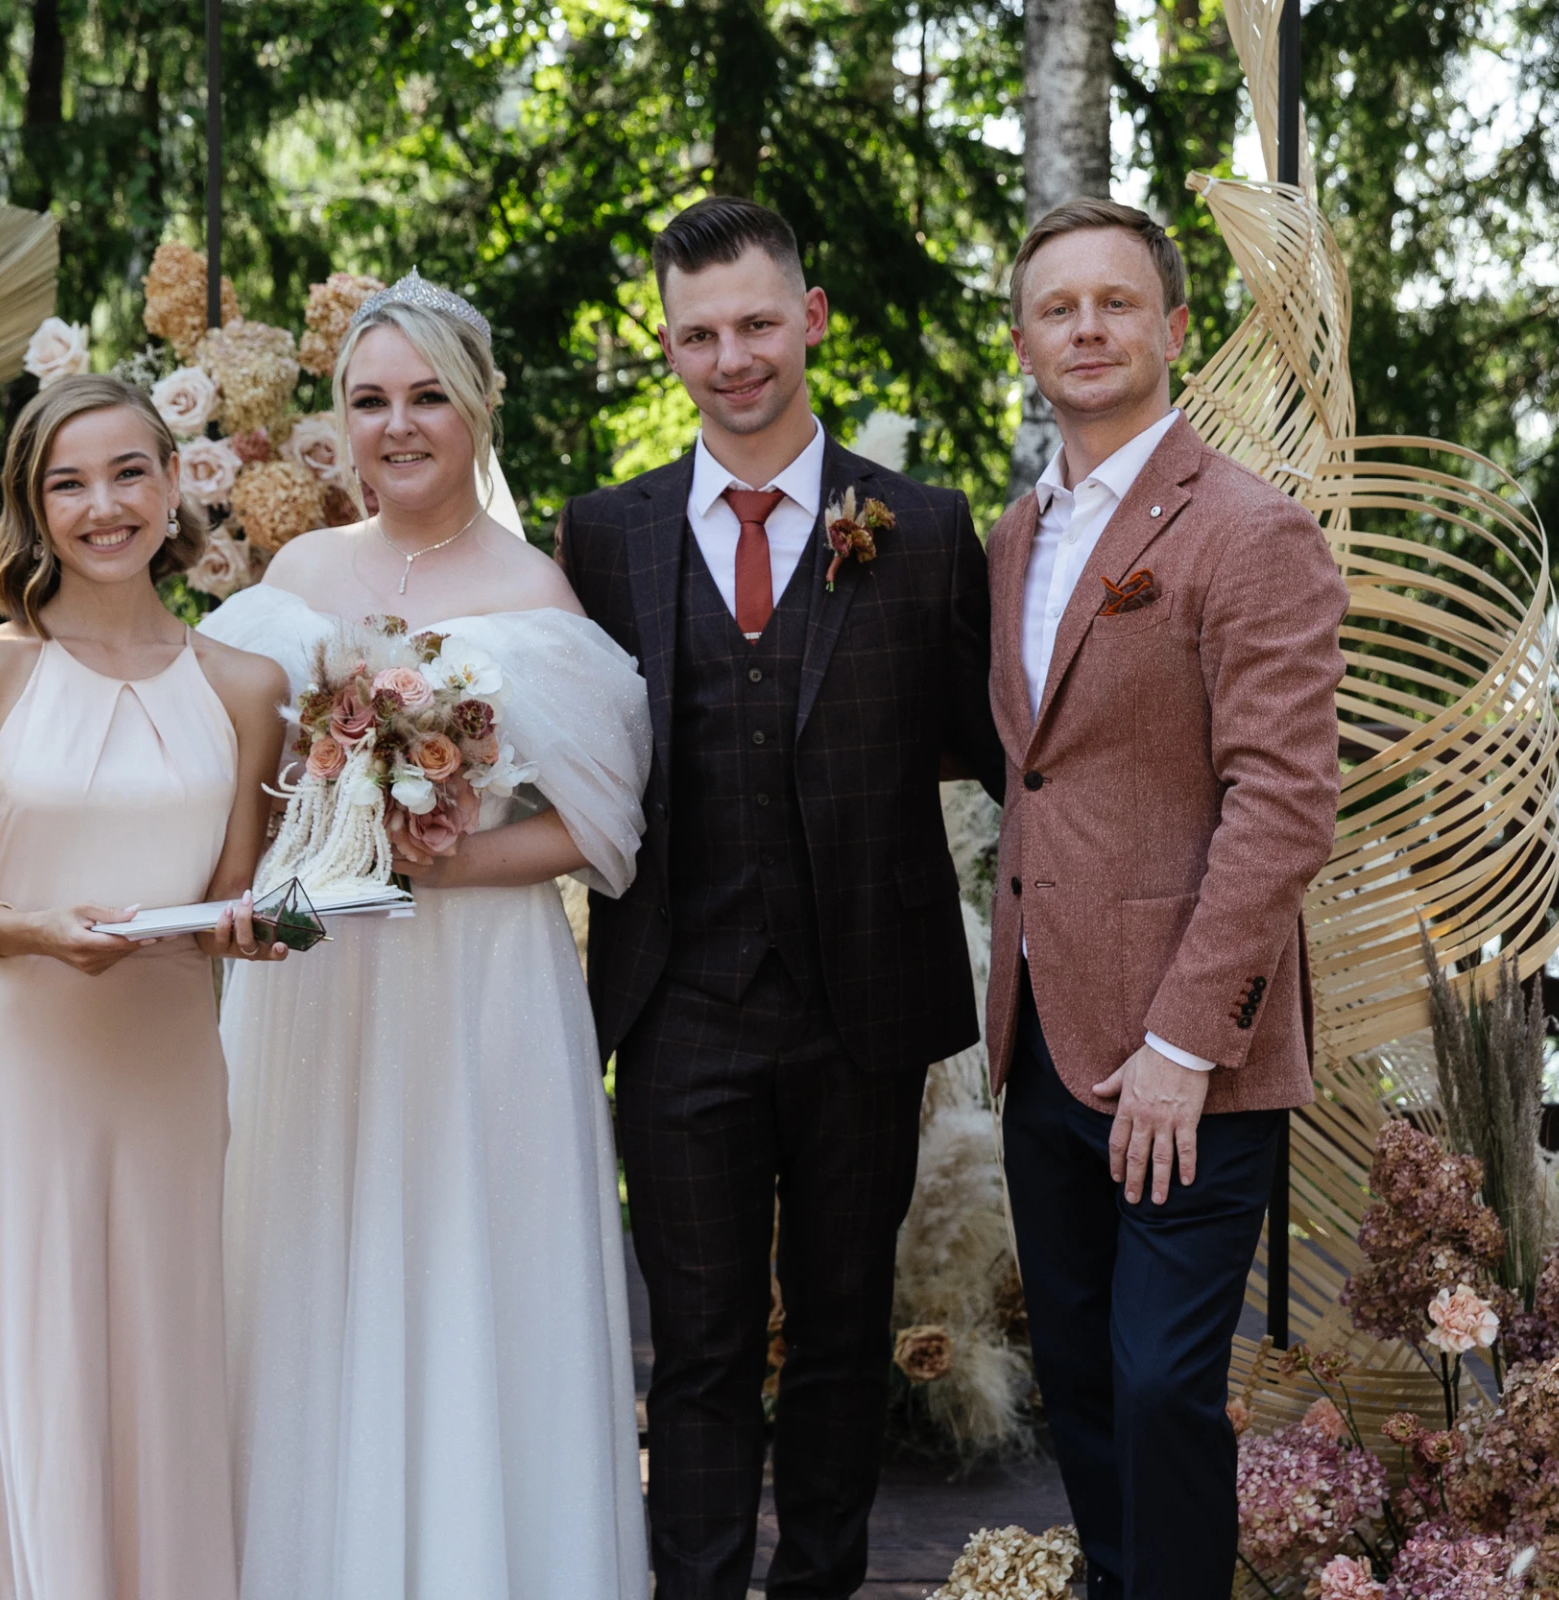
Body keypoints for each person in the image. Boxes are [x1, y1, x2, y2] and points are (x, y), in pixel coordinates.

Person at [556, 197, 1005, 1600]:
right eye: (700, 335)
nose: (732, 358)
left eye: (757, 324)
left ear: (808, 318)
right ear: (669, 348)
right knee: (693, 1346)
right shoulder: (604, 536)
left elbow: (1000, 743)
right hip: (677, 1001)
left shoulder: (924, 528)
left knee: (840, 1333)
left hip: (861, 1007)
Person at [199, 271, 652, 1599]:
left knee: (471, 1271)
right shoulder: (297, 573)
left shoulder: (535, 591)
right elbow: (237, 782)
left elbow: (601, 831)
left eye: (427, 398)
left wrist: (433, 859)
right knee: (307, 1270)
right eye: (368, 400)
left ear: (478, 408)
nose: (396, 426)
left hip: (480, 990)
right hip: (317, 986)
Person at [983, 197, 1348, 1600]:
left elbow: (1283, 806)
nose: (1087, 328)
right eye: (1058, 308)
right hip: (1039, 1037)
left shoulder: (1251, 532)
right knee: (1080, 1383)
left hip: (1190, 1061)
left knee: (1160, 1390)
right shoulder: (1017, 537)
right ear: (1025, 344)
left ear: (1176, 328)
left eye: (1117, 302)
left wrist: (1184, 1045)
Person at [0, 374, 292, 1600]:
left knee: (169, 1359)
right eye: (67, 482)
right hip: (21, 1061)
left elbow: (231, 900)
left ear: (174, 485)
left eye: (127, 473)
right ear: (33, 506)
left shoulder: (246, 685)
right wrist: (23, 926)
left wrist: (255, 930)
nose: (102, 505)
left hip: (169, 1061)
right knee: (42, 1364)